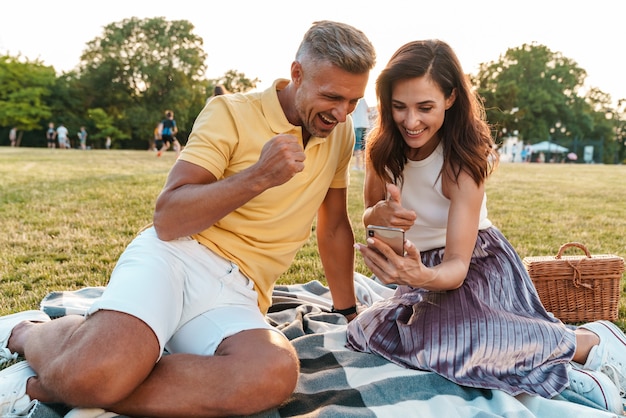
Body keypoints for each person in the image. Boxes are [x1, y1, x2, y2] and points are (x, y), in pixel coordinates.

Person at [0, 20, 376, 417]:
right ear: (297, 74)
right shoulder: (230, 112)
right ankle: (29, 335)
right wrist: (257, 177)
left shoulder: (342, 131)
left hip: (239, 294)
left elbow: (334, 225)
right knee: (97, 372)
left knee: (272, 373)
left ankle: (85, 382)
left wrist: (348, 311)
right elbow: (169, 217)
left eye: (353, 101)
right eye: (332, 96)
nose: (341, 112)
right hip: (175, 257)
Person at [346, 39, 626, 414]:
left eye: (425, 107)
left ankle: (585, 343)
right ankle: (545, 350)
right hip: (423, 272)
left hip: (477, 267)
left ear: (450, 98)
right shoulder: (383, 150)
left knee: (464, 342)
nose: (411, 121)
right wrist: (375, 219)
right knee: (379, 336)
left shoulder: (461, 162)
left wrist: (419, 275)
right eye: (399, 107)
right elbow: (370, 218)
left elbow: (457, 268)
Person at [351, 98, 369, 170]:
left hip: (357, 124)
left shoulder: (354, 99)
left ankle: (357, 165)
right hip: (365, 124)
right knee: (363, 146)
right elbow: (368, 110)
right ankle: (364, 166)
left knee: (358, 145)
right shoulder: (364, 99)